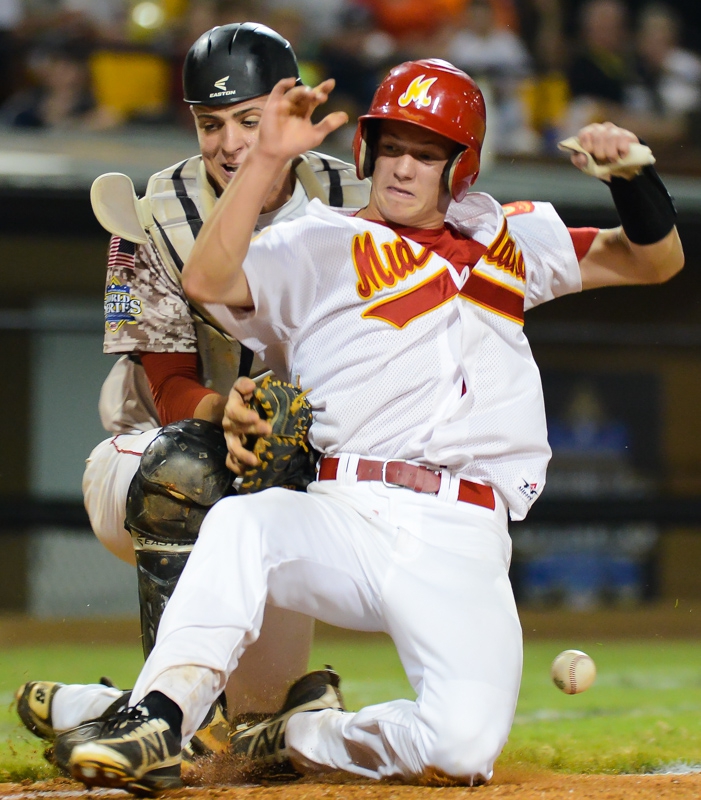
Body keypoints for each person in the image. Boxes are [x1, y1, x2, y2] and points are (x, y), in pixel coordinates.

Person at [65, 58, 686, 792]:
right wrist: (267, 155)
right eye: (389, 147)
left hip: (463, 535)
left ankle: (297, 733)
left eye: (424, 154)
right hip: (346, 512)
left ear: (462, 166)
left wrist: (631, 178)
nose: (400, 168)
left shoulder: (511, 239)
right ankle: (159, 717)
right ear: (365, 152)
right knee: (246, 526)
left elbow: (654, 262)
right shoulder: (315, 240)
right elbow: (206, 280)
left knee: (460, 750)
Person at [14, 21, 370, 763]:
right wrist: (225, 412)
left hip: (284, 490)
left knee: (260, 746)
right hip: (148, 463)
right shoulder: (145, 213)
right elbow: (167, 381)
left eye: (250, 120)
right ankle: (167, 732)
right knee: (193, 462)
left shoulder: (352, 197)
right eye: (212, 124)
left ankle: (102, 708)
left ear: (291, 106)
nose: (232, 143)